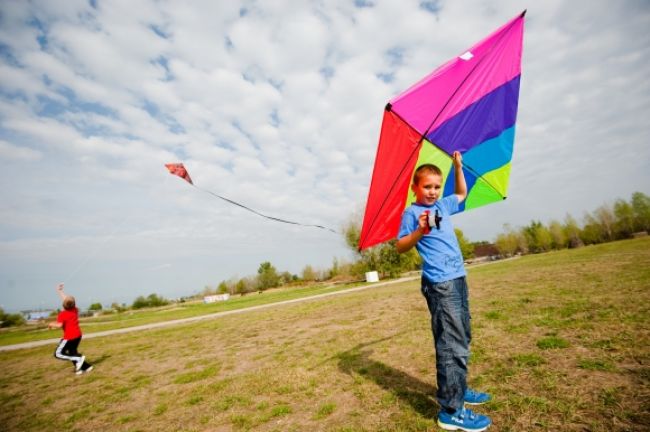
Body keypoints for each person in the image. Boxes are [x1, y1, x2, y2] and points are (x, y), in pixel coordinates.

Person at [396, 151, 491, 431]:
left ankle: (457, 388)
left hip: (459, 278)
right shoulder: (412, 213)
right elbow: (400, 245)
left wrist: (457, 167)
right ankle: (451, 410)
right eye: (427, 186)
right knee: (451, 343)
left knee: (463, 334)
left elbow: (461, 192)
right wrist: (419, 232)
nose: (433, 191)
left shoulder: (444, 206)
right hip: (440, 284)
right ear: (415, 188)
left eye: (437, 186)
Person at [48, 283, 93, 375]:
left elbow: (59, 325)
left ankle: (79, 358)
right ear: (73, 304)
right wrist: (60, 291)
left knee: (58, 353)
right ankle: (85, 367)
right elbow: (67, 300)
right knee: (72, 352)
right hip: (78, 336)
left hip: (69, 337)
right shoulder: (75, 309)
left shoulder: (63, 314)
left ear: (63, 305)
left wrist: (50, 324)